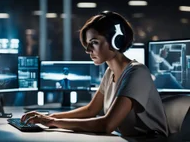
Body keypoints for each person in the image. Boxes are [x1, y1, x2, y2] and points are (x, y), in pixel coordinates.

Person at [21, 11, 169, 137]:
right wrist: (49, 117)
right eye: (87, 44)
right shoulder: (110, 71)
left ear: (116, 41)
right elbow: (91, 110)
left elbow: (107, 125)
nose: (88, 50)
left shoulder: (137, 72)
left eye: (94, 42)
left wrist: (52, 123)